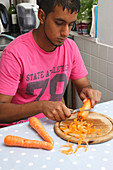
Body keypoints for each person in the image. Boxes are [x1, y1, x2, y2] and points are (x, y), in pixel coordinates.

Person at [0, 0, 101, 127]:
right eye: (59, 23)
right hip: (18, 129)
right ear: (42, 16)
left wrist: (88, 91)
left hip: (53, 125)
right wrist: (40, 106)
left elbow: (83, 85)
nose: (65, 32)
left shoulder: (70, 48)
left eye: (71, 25)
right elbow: (1, 111)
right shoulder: (14, 53)